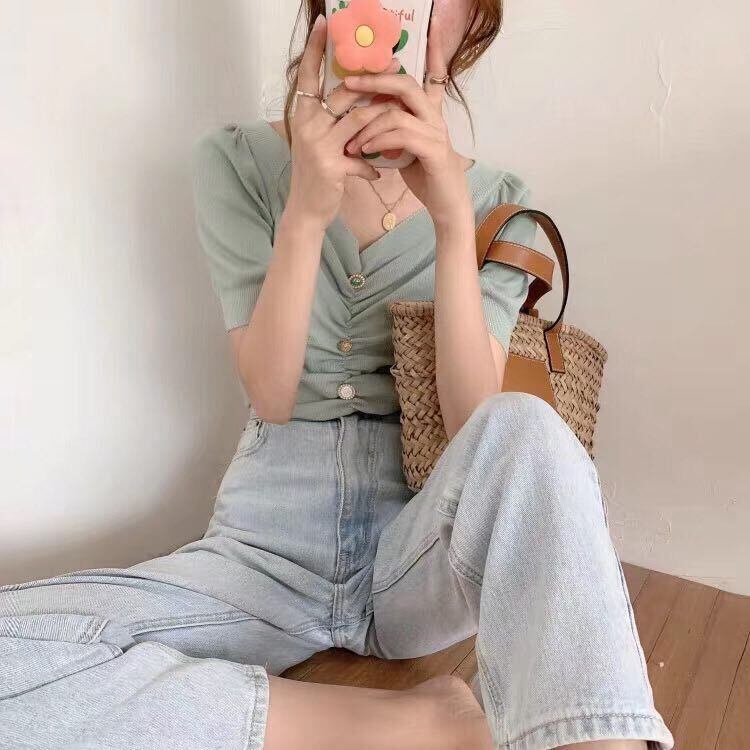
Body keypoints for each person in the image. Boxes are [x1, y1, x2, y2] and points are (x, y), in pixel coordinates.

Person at [0, 3, 673, 750]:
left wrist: (452, 222)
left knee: (527, 428)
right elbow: (271, 393)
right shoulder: (238, 161)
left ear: (468, 25)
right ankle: (419, 726)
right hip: (263, 553)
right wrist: (306, 211)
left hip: (418, 555)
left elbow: (473, 427)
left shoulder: (499, 206)